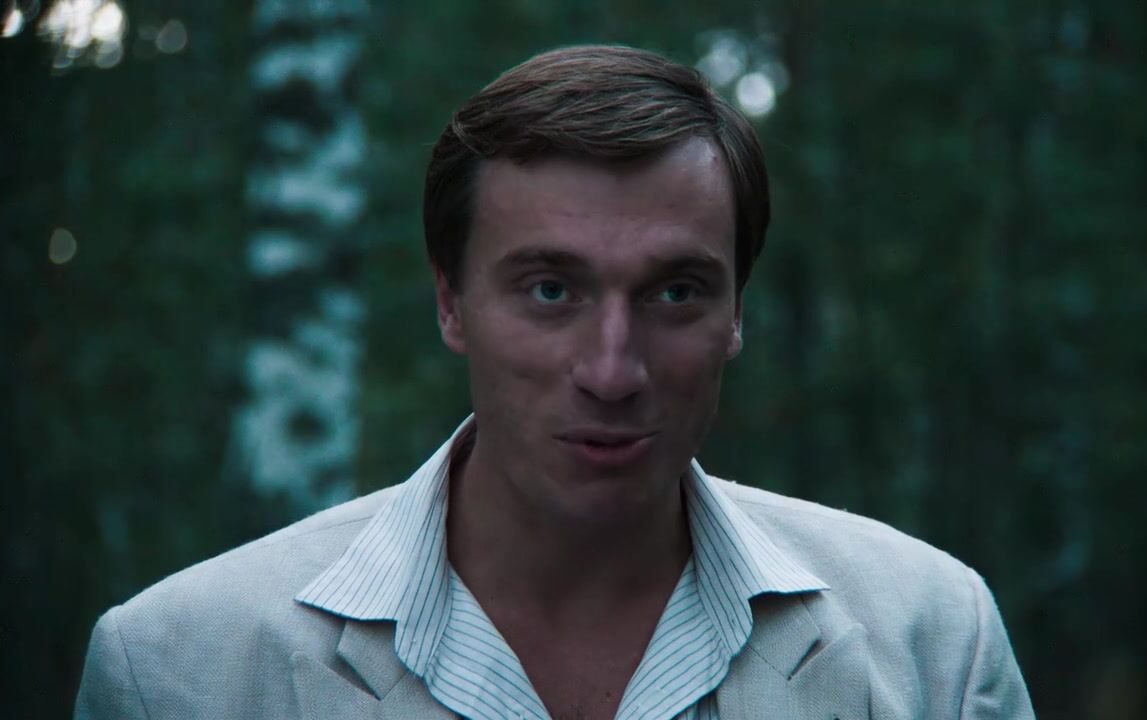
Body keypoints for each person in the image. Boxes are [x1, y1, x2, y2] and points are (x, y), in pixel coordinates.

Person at [75, 45, 1034, 720]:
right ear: (450, 303)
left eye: (675, 292)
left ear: (736, 311)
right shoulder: (181, 670)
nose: (612, 370)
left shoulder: (929, 642)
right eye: (550, 290)